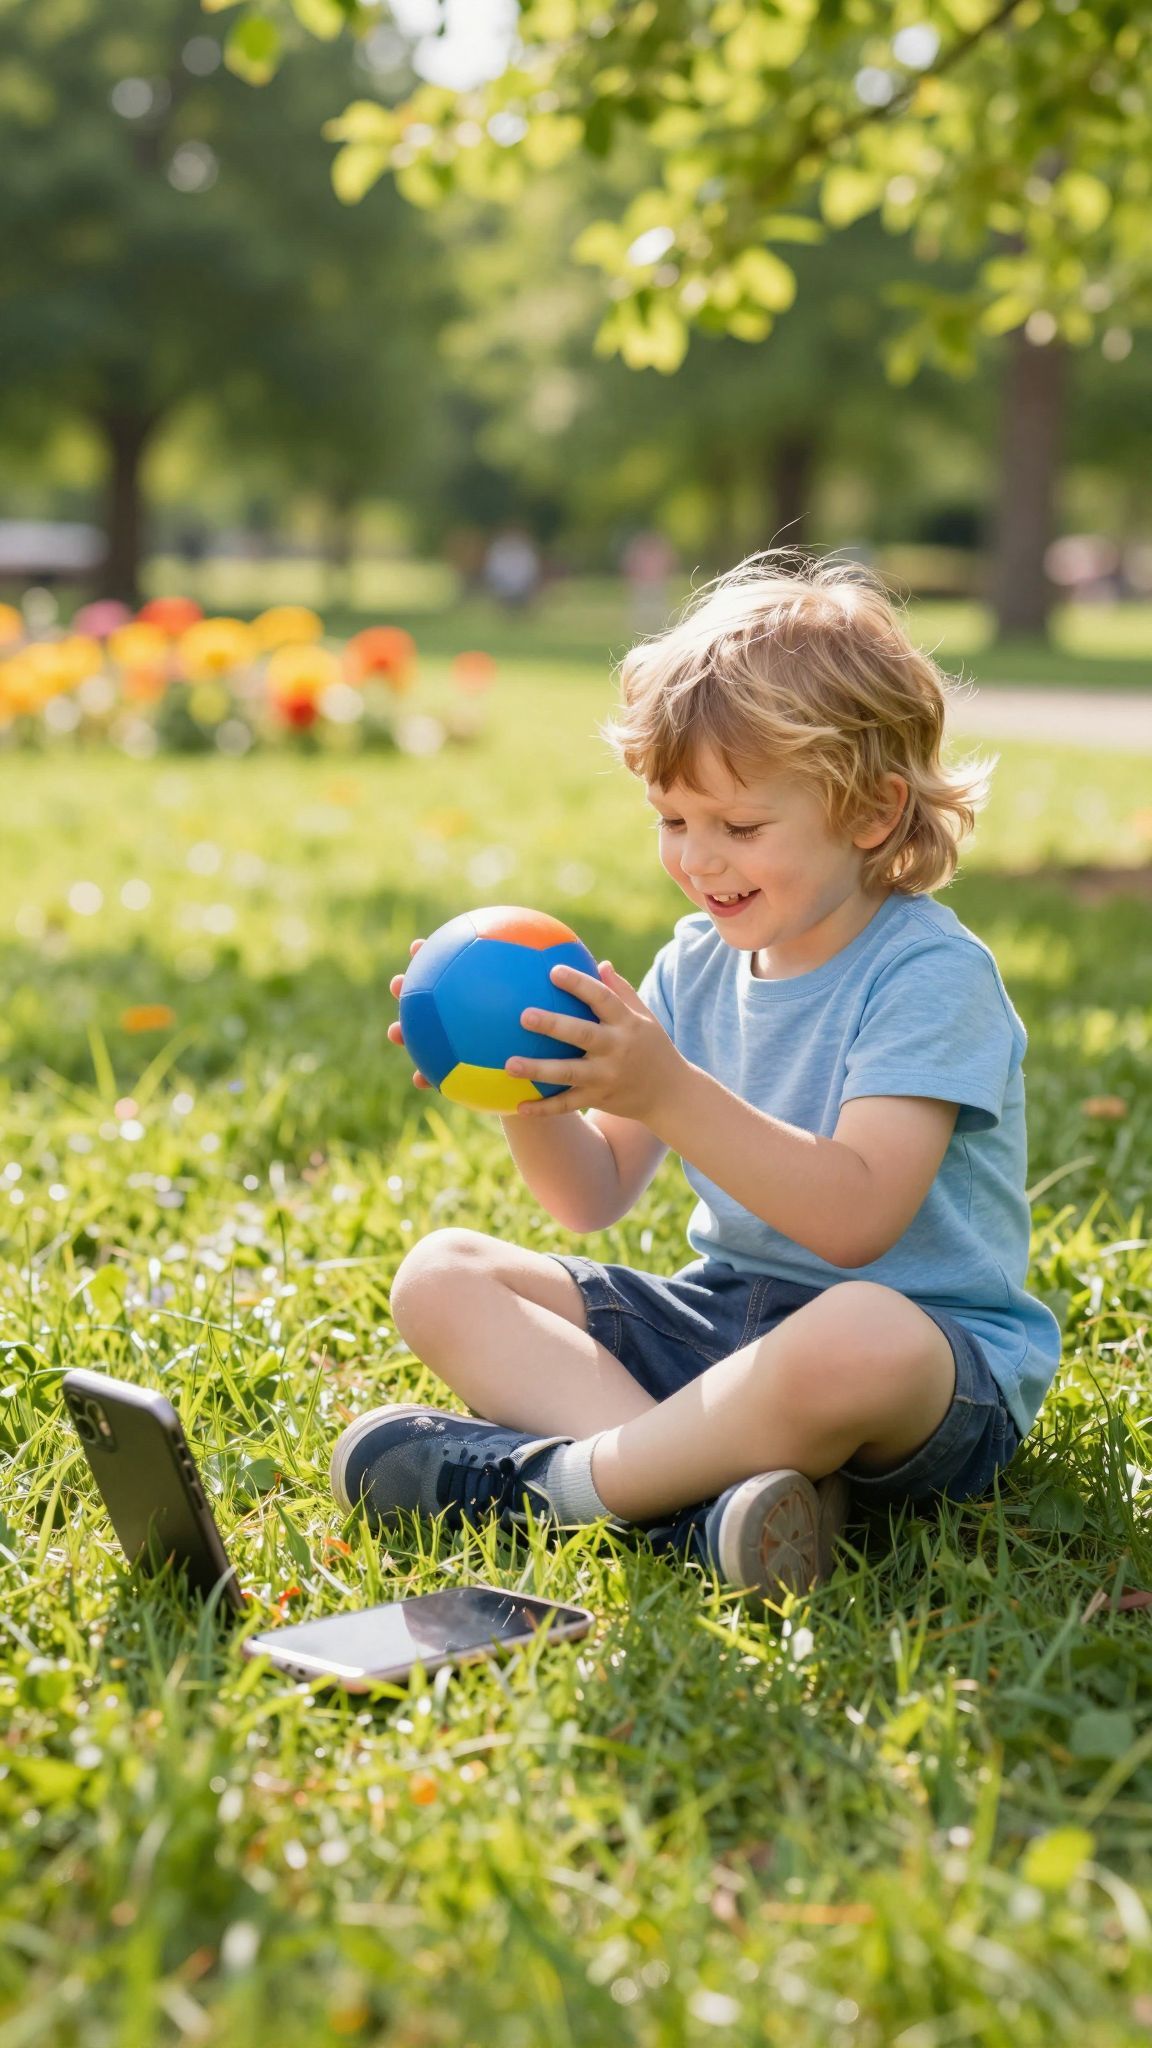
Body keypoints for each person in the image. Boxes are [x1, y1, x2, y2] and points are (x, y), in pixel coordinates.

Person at [329, 553, 1062, 1603]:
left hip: (922, 1369)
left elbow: (856, 1217)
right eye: (674, 818)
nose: (698, 858)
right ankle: (712, 1504)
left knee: (853, 1332)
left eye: (740, 826)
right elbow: (590, 1196)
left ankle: (570, 1486)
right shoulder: (694, 962)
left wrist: (668, 1087)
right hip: (725, 1324)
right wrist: (529, 1085)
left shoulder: (930, 976)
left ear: (870, 811)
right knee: (441, 1273)